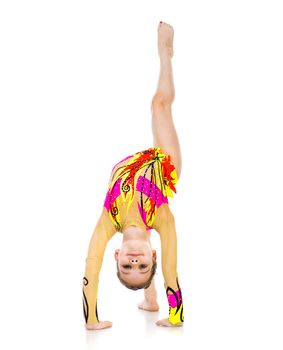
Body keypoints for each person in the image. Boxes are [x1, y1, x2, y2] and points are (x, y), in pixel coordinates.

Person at [82, 21, 184, 330]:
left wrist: (91, 320)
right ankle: (165, 51)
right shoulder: (160, 218)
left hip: (136, 165)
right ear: (153, 254)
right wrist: (176, 316)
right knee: (159, 105)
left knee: (155, 106)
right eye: (143, 264)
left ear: (117, 254)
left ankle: (149, 301)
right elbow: (170, 269)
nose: (135, 260)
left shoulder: (107, 222)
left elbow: (90, 270)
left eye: (128, 265)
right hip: (163, 166)